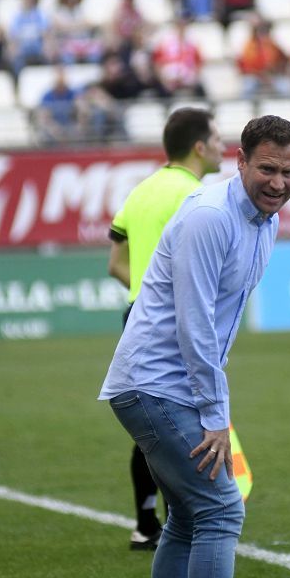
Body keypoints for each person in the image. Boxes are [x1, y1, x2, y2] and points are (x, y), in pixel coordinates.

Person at [99, 115, 290, 578]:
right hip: (153, 385)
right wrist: (215, 412)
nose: (278, 183)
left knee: (189, 518)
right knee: (221, 509)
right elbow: (195, 323)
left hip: (165, 385)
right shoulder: (210, 216)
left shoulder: (264, 219)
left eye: (289, 173)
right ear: (240, 162)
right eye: (267, 169)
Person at [105, 108, 227, 550]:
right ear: (199, 146)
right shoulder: (200, 197)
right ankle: (193, 516)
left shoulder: (140, 191)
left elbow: (115, 264)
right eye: (217, 138)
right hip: (176, 324)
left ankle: (146, 522)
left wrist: (146, 298)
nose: (222, 146)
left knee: (153, 429)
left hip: (137, 318)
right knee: (190, 422)